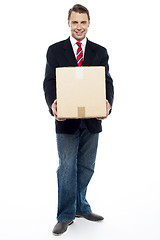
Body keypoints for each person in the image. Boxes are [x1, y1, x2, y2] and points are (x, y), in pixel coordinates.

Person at [43, 4, 114, 236]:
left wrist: (108, 103)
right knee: (66, 168)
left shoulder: (99, 51)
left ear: (89, 23)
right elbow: (49, 82)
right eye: (75, 22)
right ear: (69, 24)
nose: (79, 27)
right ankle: (65, 215)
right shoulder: (55, 51)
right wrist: (53, 103)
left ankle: (80, 207)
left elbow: (107, 82)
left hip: (92, 119)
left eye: (83, 22)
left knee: (86, 167)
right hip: (66, 120)